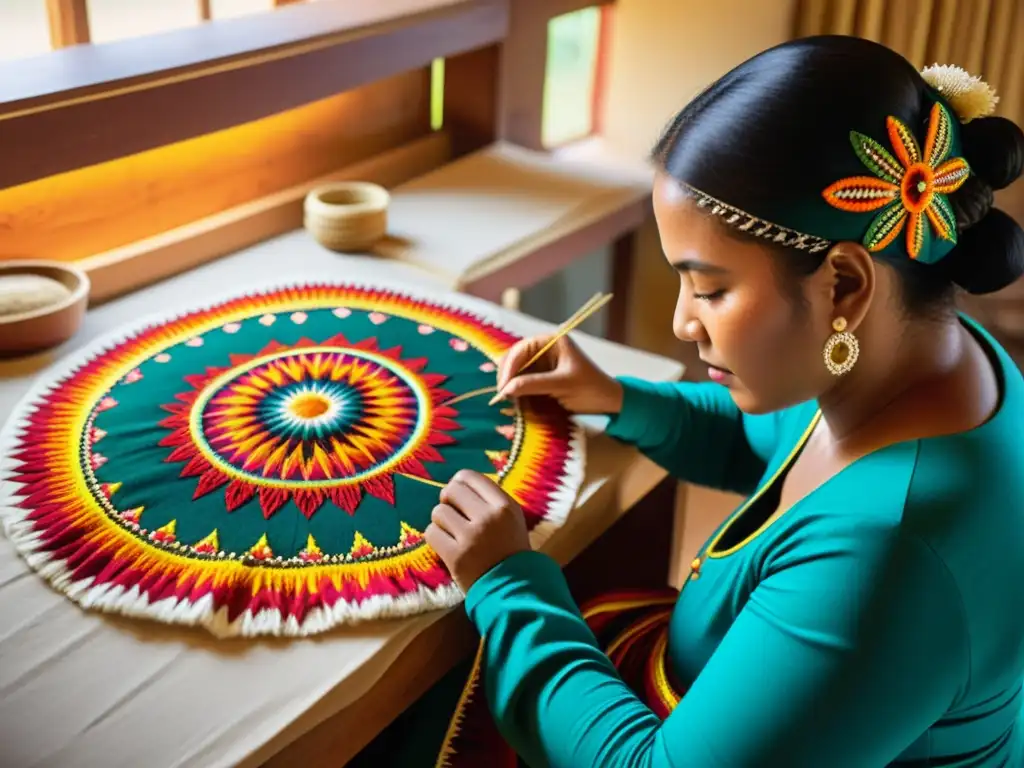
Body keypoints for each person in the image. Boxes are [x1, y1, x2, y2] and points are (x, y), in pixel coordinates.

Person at [353, 35, 1024, 766]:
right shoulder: (934, 358)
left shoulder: (888, 561)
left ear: (845, 285)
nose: (682, 322)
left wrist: (507, 582)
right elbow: (763, 441)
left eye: (709, 289)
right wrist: (616, 397)